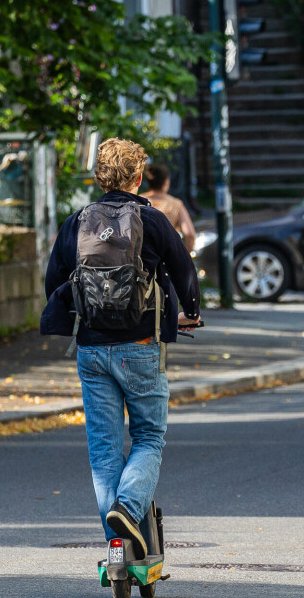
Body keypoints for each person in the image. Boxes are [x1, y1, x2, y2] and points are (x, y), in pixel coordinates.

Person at [41, 138, 202, 558]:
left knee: (104, 449)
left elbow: (53, 280)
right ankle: (128, 510)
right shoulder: (151, 220)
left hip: (91, 349)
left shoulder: (78, 222)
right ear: (139, 177)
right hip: (140, 346)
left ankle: (117, 543)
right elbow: (184, 270)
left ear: (99, 177)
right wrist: (191, 310)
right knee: (148, 436)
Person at [139, 164, 197, 252]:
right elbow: (189, 234)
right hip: (165, 258)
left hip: (142, 257)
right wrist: (185, 257)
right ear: (166, 181)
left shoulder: (138, 200)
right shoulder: (175, 204)